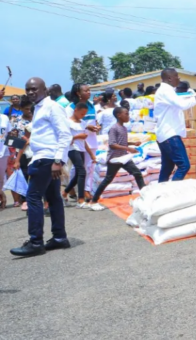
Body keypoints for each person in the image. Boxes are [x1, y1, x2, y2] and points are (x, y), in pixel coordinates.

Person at [10, 77, 72, 257]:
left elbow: (65, 135)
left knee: (33, 198)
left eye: (34, 89)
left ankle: (36, 242)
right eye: (28, 89)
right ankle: (59, 237)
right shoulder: (38, 108)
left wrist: (58, 161)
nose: (30, 92)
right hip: (42, 158)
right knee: (53, 197)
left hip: (47, 159)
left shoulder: (52, 107)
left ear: (44, 89)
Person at [154, 68, 196, 182]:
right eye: (176, 76)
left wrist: (195, 95)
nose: (179, 78)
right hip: (170, 135)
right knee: (184, 165)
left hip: (164, 135)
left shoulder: (166, 91)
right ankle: (171, 192)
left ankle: (159, 193)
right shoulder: (166, 91)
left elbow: (180, 99)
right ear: (169, 78)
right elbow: (182, 105)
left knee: (167, 168)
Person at [87, 107, 145, 209]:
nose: (128, 116)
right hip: (115, 158)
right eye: (126, 114)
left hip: (124, 157)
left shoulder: (123, 128)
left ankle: (145, 197)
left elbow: (122, 142)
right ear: (119, 115)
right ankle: (94, 200)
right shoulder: (114, 128)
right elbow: (112, 144)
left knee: (137, 174)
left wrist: (132, 143)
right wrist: (129, 148)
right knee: (108, 179)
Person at [63, 102, 95, 207]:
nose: (83, 116)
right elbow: (65, 139)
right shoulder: (67, 122)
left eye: (85, 114)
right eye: (82, 114)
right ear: (75, 110)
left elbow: (84, 141)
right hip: (72, 149)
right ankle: (80, 199)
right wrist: (77, 137)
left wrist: (91, 154)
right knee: (82, 171)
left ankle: (65, 192)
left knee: (78, 174)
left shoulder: (82, 123)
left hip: (81, 149)